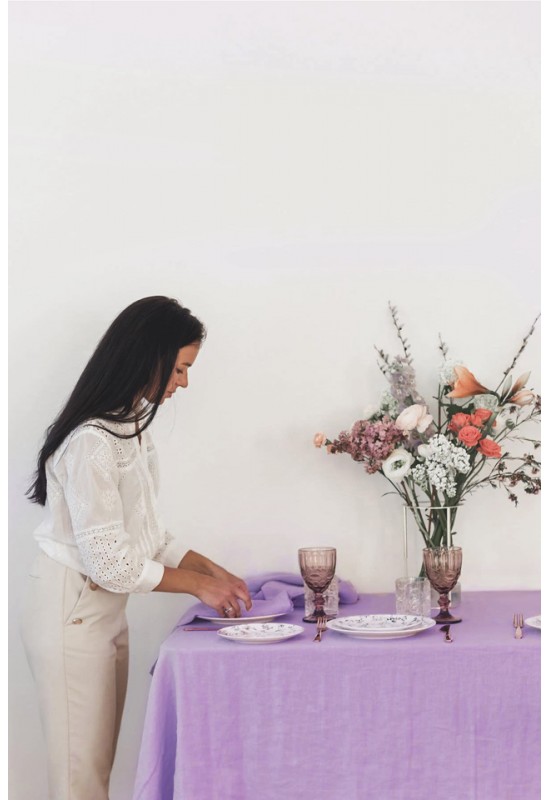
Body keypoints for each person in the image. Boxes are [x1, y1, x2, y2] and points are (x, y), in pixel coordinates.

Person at [20, 295, 252, 800]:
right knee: (79, 781)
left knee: (96, 770)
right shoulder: (91, 441)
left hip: (102, 610)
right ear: (151, 356)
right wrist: (198, 589)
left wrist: (215, 573)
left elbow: (150, 537)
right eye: (181, 369)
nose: (182, 383)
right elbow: (109, 562)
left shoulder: (130, 431)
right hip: (73, 610)